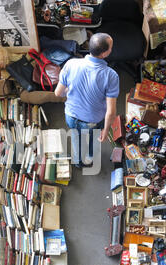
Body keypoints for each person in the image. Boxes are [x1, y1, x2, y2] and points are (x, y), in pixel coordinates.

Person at [54, 32, 119, 168]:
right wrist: (106, 131)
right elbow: (111, 112)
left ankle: (78, 162)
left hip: (70, 116)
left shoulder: (71, 63)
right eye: (111, 48)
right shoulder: (111, 76)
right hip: (92, 120)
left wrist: (71, 91)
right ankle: (89, 159)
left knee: (76, 138)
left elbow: (58, 93)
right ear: (105, 54)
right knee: (92, 141)